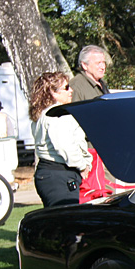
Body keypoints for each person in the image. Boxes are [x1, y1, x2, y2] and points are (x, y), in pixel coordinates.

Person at [29, 72, 92, 207]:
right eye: (66, 87)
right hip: (59, 174)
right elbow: (65, 146)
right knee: (67, 222)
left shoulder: (40, 115)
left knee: (56, 221)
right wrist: (82, 166)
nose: (71, 90)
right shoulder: (58, 114)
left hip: (46, 174)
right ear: (53, 92)